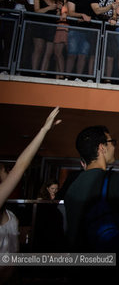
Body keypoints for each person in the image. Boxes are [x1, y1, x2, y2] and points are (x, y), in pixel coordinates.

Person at [64, 125, 119, 284]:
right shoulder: (114, 179)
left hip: (78, 271)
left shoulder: (72, 185)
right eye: (111, 142)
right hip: (110, 272)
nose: (114, 146)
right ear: (101, 148)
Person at [0, 107, 61, 285]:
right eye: (4, 170)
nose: (8, 172)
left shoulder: (10, 215)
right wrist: (43, 130)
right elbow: (21, 166)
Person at [90, 0, 119, 78]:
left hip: (109, 29)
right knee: (94, 54)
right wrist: (110, 7)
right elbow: (97, 11)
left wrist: (114, 18)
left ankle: (107, 79)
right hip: (96, 28)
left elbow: (115, 13)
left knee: (110, 55)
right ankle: (90, 77)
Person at [31, 0, 62, 72]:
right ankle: (34, 72)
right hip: (39, 25)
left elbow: (57, 17)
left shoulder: (55, 0)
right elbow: (36, 11)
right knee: (38, 49)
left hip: (51, 26)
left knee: (49, 52)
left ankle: (42, 73)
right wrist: (49, 7)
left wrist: (58, 10)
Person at [66, 0, 94, 76]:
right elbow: (70, 12)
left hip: (89, 30)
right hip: (75, 29)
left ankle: (78, 77)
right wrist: (82, 15)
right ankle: (67, 77)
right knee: (72, 54)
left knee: (83, 55)